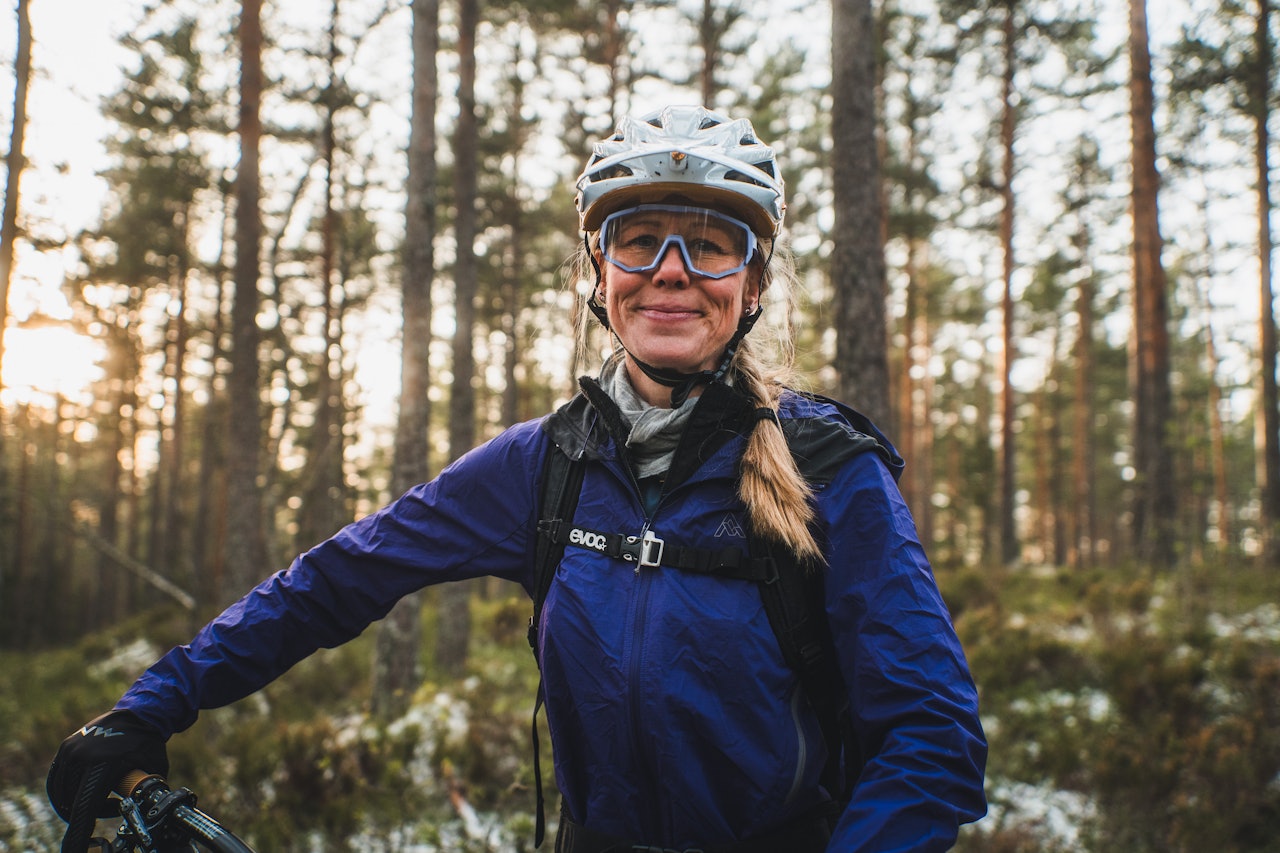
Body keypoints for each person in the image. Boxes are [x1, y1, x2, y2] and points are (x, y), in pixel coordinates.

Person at [48, 105, 987, 852]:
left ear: (751, 281)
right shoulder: (547, 462)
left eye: (708, 243)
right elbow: (337, 578)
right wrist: (150, 706)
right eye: (638, 239)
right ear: (598, 270)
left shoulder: (829, 469)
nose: (670, 272)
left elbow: (933, 737)